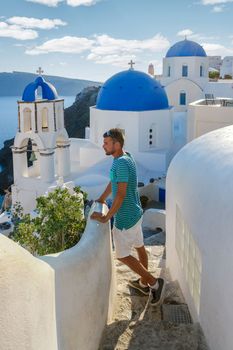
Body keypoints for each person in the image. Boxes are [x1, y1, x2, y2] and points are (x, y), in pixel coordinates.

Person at [91, 128, 165, 306]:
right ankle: (143, 283)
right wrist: (101, 198)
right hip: (136, 212)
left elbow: (121, 194)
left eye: (107, 143)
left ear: (117, 144)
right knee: (139, 247)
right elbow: (113, 182)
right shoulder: (126, 157)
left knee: (123, 256)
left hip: (125, 219)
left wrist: (106, 217)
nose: (103, 145)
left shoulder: (120, 164)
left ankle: (154, 283)